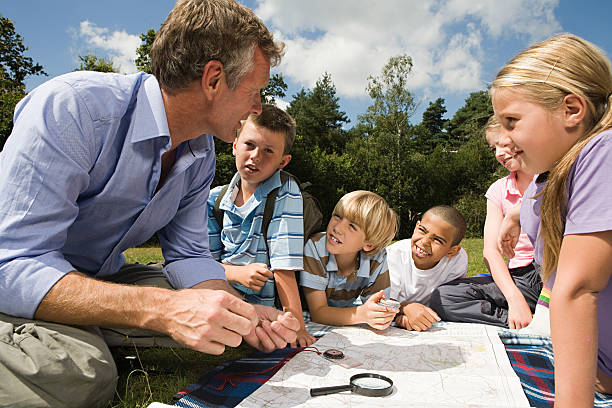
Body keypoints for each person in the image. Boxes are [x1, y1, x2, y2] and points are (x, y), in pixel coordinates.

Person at [0, 1, 300, 407]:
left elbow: (190, 253)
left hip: (102, 277)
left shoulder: (201, 155)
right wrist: (162, 311)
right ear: (214, 79)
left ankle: (78, 331)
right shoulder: (73, 109)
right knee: (82, 372)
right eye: (254, 90)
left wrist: (233, 308)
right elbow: (12, 262)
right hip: (25, 275)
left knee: (223, 324)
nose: (258, 107)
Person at [492, 34, 612, 406]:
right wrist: (513, 215)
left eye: (512, 121)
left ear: (571, 110)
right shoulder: (550, 178)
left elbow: (577, 289)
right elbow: (536, 197)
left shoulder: (603, 151)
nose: (504, 138)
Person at [207, 104, 315, 347]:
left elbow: (283, 266)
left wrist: (296, 323)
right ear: (235, 145)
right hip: (223, 300)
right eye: (249, 145)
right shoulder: (213, 199)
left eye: (268, 151)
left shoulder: (285, 192)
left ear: (283, 161)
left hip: (268, 311)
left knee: (272, 337)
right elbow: (204, 265)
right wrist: (236, 273)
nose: (256, 156)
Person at [428, 120, 542, 329]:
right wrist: (514, 298)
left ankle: (546, 314)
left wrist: (517, 213)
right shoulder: (498, 190)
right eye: (493, 148)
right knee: (444, 296)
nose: (499, 153)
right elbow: (491, 251)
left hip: (553, 272)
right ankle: (522, 321)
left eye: (504, 144)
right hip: (520, 279)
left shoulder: (554, 175)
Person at [299, 190, 399, 330]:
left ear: (369, 245)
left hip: (344, 316)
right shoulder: (315, 248)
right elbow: (318, 312)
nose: (337, 228)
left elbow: (380, 305)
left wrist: (379, 314)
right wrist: (361, 314)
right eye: (337, 216)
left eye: (352, 226)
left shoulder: (377, 259)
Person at [388, 205, 468, 332]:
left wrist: (412, 316)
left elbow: (449, 302)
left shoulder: (457, 260)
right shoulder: (394, 254)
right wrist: (404, 310)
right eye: (422, 230)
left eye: (437, 240)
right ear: (416, 226)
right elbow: (384, 304)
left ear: (452, 251)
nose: (424, 242)